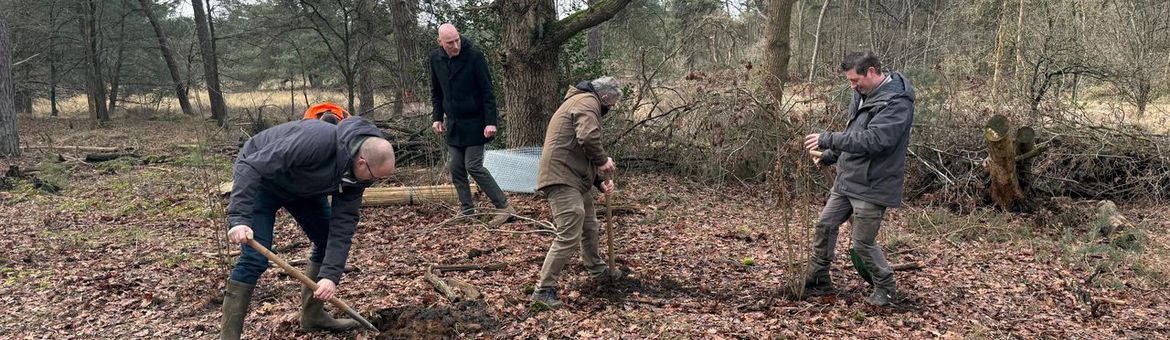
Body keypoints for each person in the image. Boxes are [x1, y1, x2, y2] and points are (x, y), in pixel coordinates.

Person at [219, 116, 395, 339]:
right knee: (254, 259)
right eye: (374, 177)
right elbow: (251, 165)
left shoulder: (359, 178)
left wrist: (330, 276)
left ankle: (313, 316)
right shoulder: (317, 141)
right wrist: (240, 218)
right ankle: (229, 336)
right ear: (361, 162)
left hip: (301, 189)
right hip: (262, 181)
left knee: (325, 238)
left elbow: (343, 226)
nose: (373, 182)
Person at [802, 51, 915, 306]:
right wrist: (831, 155)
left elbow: (875, 140)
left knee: (862, 243)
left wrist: (828, 138)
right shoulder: (862, 94)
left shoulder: (897, 103)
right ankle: (818, 281)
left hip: (875, 185)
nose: (852, 86)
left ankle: (885, 289)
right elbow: (854, 134)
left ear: (872, 72)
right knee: (825, 226)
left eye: (856, 80)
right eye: (850, 81)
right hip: (847, 179)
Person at [529, 76, 624, 309]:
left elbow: (579, 148)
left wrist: (600, 182)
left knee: (590, 225)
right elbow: (588, 137)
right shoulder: (587, 102)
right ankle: (543, 291)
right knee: (569, 231)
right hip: (561, 178)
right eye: (610, 105)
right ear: (603, 98)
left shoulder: (582, 101)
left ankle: (598, 271)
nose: (609, 109)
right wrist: (603, 161)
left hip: (574, 178)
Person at [429, 23, 514, 225]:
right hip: (455, 124)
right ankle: (467, 210)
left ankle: (504, 206)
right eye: (450, 43)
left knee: (473, 165)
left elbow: (488, 92)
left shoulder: (474, 56)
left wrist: (491, 122)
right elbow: (436, 92)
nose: (456, 45)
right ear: (440, 42)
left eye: (457, 40)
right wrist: (437, 117)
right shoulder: (435, 59)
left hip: (477, 123)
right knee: (456, 167)